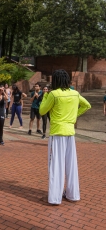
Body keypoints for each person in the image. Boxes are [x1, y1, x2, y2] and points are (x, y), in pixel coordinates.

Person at [39, 69, 91, 205]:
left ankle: (55, 197)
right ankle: (72, 194)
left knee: (56, 164)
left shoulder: (53, 94)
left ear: (55, 81)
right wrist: (74, 116)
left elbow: (42, 110)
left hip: (57, 133)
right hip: (70, 132)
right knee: (71, 164)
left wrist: (45, 96)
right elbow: (87, 105)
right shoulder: (75, 93)